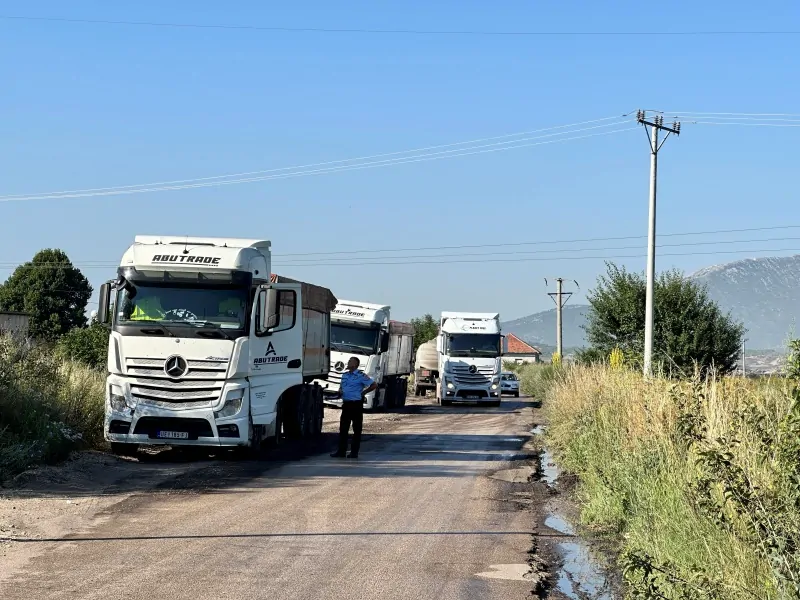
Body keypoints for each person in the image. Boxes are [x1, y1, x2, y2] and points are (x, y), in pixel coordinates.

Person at [331, 357, 377, 459]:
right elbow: (342, 387)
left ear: (355, 364)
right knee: (343, 429)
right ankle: (341, 451)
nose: (348, 362)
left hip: (356, 405)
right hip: (346, 404)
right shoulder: (345, 375)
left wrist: (364, 392)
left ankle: (354, 452)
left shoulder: (360, 376)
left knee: (356, 429)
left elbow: (374, 385)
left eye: (350, 361)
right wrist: (340, 391)